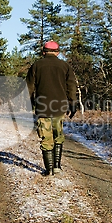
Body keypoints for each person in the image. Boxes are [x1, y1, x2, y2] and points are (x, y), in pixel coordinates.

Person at [26, 41, 77, 176]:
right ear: (57, 52)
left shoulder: (36, 65)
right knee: (58, 135)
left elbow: (29, 88)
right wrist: (72, 103)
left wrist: (30, 104)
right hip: (59, 107)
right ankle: (57, 167)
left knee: (46, 138)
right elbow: (71, 86)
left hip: (42, 108)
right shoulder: (65, 66)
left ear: (44, 52)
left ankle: (48, 170)